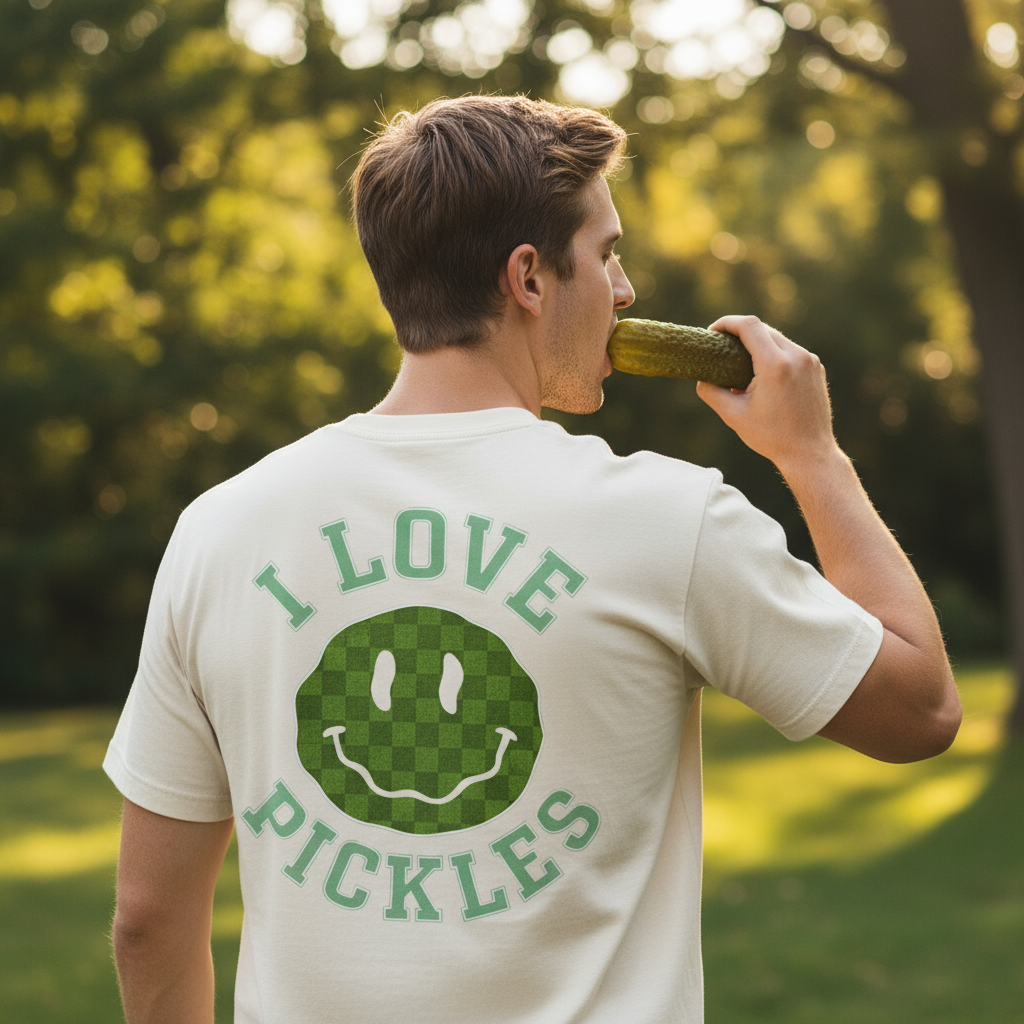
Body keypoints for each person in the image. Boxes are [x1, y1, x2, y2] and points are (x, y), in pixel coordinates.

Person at [104, 95, 961, 1024]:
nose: (625, 290)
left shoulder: (220, 530)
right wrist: (812, 454)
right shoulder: (667, 522)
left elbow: (148, 922)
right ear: (528, 279)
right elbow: (918, 710)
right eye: (606, 253)